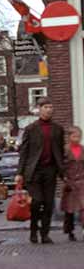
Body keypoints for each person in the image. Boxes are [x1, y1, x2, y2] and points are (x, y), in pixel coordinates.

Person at [15, 97, 66, 244]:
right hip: (34, 170)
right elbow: (24, 152)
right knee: (37, 201)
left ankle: (45, 234)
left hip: (50, 170)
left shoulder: (58, 129)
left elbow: (60, 151)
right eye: (46, 107)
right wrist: (19, 173)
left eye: (51, 107)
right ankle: (33, 230)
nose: (49, 110)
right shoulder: (31, 129)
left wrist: (62, 171)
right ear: (40, 109)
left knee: (49, 203)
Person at [62, 126, 84, 241]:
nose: (77, 139)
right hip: (70, 182)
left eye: (79, 136)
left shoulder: (83, 149)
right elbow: (62, 166)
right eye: (74, 136)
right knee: (70, 209)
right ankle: (70, 230)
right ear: (69, 137)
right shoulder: (65, 150)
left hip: (81, 181)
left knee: (83, 206)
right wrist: (65, 179)